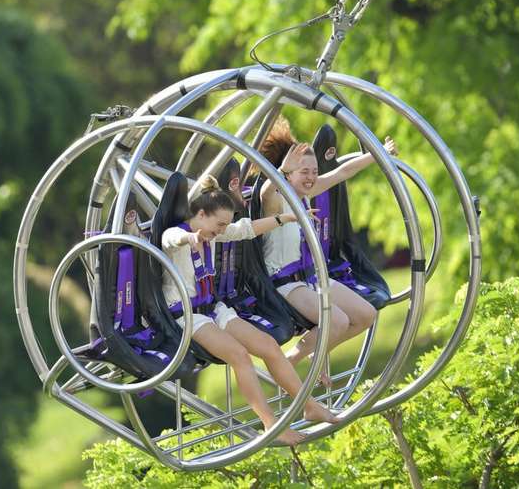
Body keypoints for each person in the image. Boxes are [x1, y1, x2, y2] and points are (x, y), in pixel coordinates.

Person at [160, 174, 338, 445]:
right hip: (187, 315)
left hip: (214, 309)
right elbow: (172, 238)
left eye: (224, 225)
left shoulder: (215, 233)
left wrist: (287, 218)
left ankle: (309, 405)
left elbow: (247, 229)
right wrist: (190, 237)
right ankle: (270, 424)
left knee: (268, 346)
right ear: (201, 214)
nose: (222, 230)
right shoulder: (176, 235)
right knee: (240, 356)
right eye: (219, 224)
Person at [257, 117, 398, 383]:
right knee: (338, 321)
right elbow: (266, 192)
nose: (311, 177)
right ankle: (290, 361)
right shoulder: (276, 201)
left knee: (366, 315)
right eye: (304, 172)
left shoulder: (306, 194)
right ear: (289, 173)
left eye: (314, 171)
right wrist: (282, 171)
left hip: (311, 278)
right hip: (286, 283)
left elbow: (342, 172)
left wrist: (379, 154)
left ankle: (316, 355)